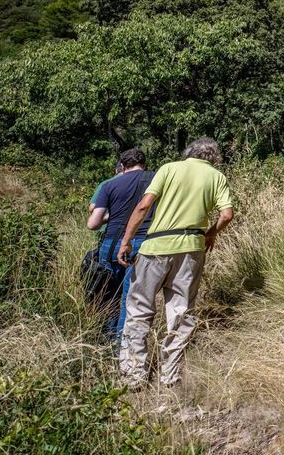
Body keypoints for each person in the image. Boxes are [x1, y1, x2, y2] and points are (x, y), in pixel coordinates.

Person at [117, 137, 234, 389]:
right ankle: (170, 376)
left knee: (139, 309)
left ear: (188, 152)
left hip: (156, 247)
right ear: (214, 157)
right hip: (192, 249)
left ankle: (134, 375)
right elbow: (226, 214)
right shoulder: (217, 177)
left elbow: (143, 206)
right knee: (181, 313)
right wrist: (210, 233)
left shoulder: (169, 168)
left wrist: (126, 241)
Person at [85, 149, 154, 342]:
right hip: (143, 242)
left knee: (110, 294)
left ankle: (109, 340)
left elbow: (93, 224)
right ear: (144, 164)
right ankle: (125, 343)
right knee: (131, 297)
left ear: (122, 166)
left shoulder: (109, 184)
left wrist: (112, 216)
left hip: (112, 243)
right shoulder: (155, 180)